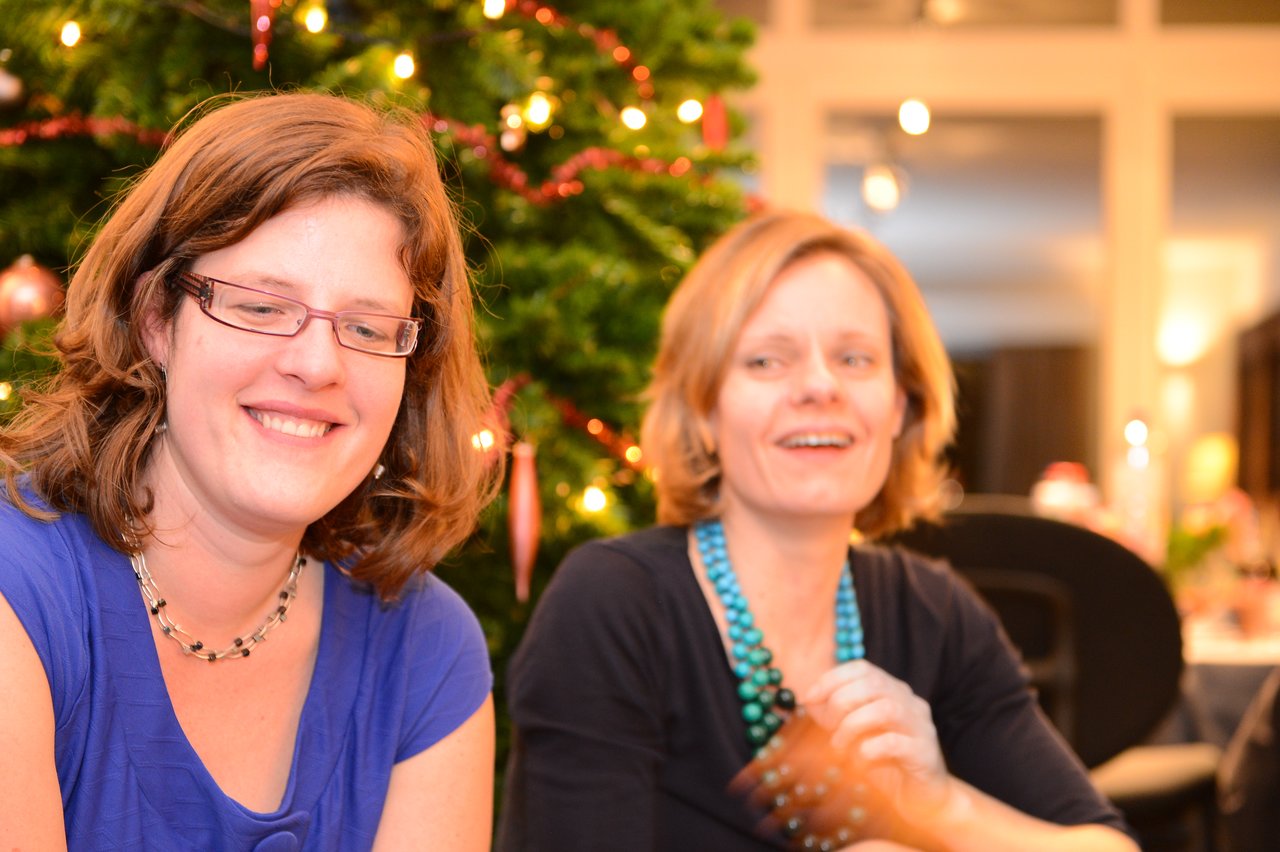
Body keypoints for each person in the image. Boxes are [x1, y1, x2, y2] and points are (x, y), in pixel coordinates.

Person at [497, 210, 1138, 851]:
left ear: (900, 405)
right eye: (767, 361)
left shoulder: (937, 615)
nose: (819, 386)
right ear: (705, 409)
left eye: (854, 358)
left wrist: (940, 807)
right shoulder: (613, 603)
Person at [0, 91, 498, 849]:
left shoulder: (426, 650)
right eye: (262, 306)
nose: (316, 364)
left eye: (367, 327)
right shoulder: (19, 593)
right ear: (156, 319)